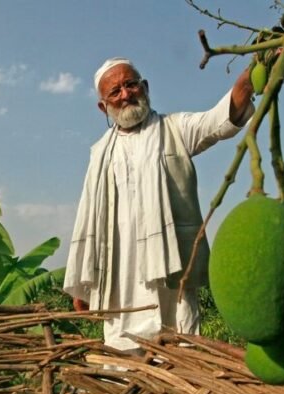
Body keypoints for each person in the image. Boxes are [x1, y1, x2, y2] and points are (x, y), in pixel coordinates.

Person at [63, 57, 254, 352]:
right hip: (119, 278)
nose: (125, 95)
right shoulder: (100, 154)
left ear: (145, 87)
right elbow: (89, 218)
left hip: (170, 272)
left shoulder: (175, 129)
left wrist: (251, 75)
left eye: (131, 85)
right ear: (103, 106)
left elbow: (220, 120)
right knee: (121, 363)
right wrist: (86, 281)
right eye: (115, 91)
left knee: (179, 351)